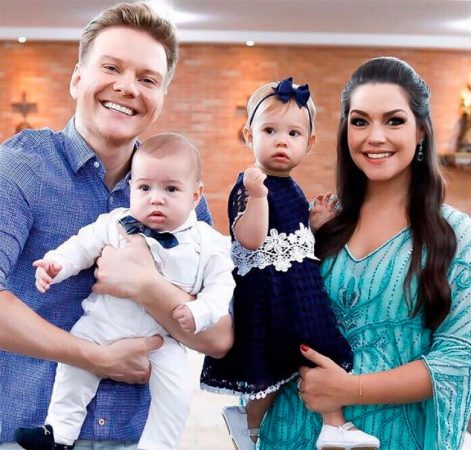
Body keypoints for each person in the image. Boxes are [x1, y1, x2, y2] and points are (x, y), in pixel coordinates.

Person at [0, 3, 232, 449]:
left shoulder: (180, 197)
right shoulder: (21, 167)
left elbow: (220, 337)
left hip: (132, 440)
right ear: (77, 78)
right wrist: (95, 357)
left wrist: (146, 285)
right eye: (111, 68)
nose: (127, 87)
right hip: (22, 435)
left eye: (147, 79)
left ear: (161, 97)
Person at [259, 57, 471, 450]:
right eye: (360, 121)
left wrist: (350, 389)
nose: (375, 136)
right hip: (291, 430)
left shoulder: (456, 235)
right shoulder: (319, 219)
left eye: (394, 121)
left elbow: (459, 358)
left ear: (421, 131)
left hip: (394, 437)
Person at [14, 133, 235, 450]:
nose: (156, 198)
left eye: (171, 189)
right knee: (73, 370)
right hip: (101, 325)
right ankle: (59, 433)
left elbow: (222, 286)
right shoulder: (117, 222)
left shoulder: (209, 242)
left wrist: (199, 310)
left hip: (161, 340)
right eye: (145, 188)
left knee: (176, 394)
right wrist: (56, 264)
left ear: (195, 195)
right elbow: (82, 245)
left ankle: (158, 446)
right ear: (131, 189)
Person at [200, 77, 380, 450]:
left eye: (293, 133)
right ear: (249, 135)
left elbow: (291, 236)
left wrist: (315, 224)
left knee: (317, 348)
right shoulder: (250, 183)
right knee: (276, 363)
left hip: (299, 288)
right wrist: (256, 196)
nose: (282, 141)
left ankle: (332, 423)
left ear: (309, 144)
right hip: (269, 294)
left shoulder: (293, 187)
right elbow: (250, 238)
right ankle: (250, 424)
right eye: (270, 130)